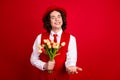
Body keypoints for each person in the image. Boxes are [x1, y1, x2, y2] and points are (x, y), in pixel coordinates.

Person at [30, 6, 82, 80]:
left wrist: (70, 67)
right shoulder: (40, 37)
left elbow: (71, 58)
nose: (57, 19)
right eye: (53, 17)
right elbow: (33, 59)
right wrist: (44, 65)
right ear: (49, 21)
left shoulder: (71, 38)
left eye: (59, 16)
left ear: (62, 19)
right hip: (44, 77)